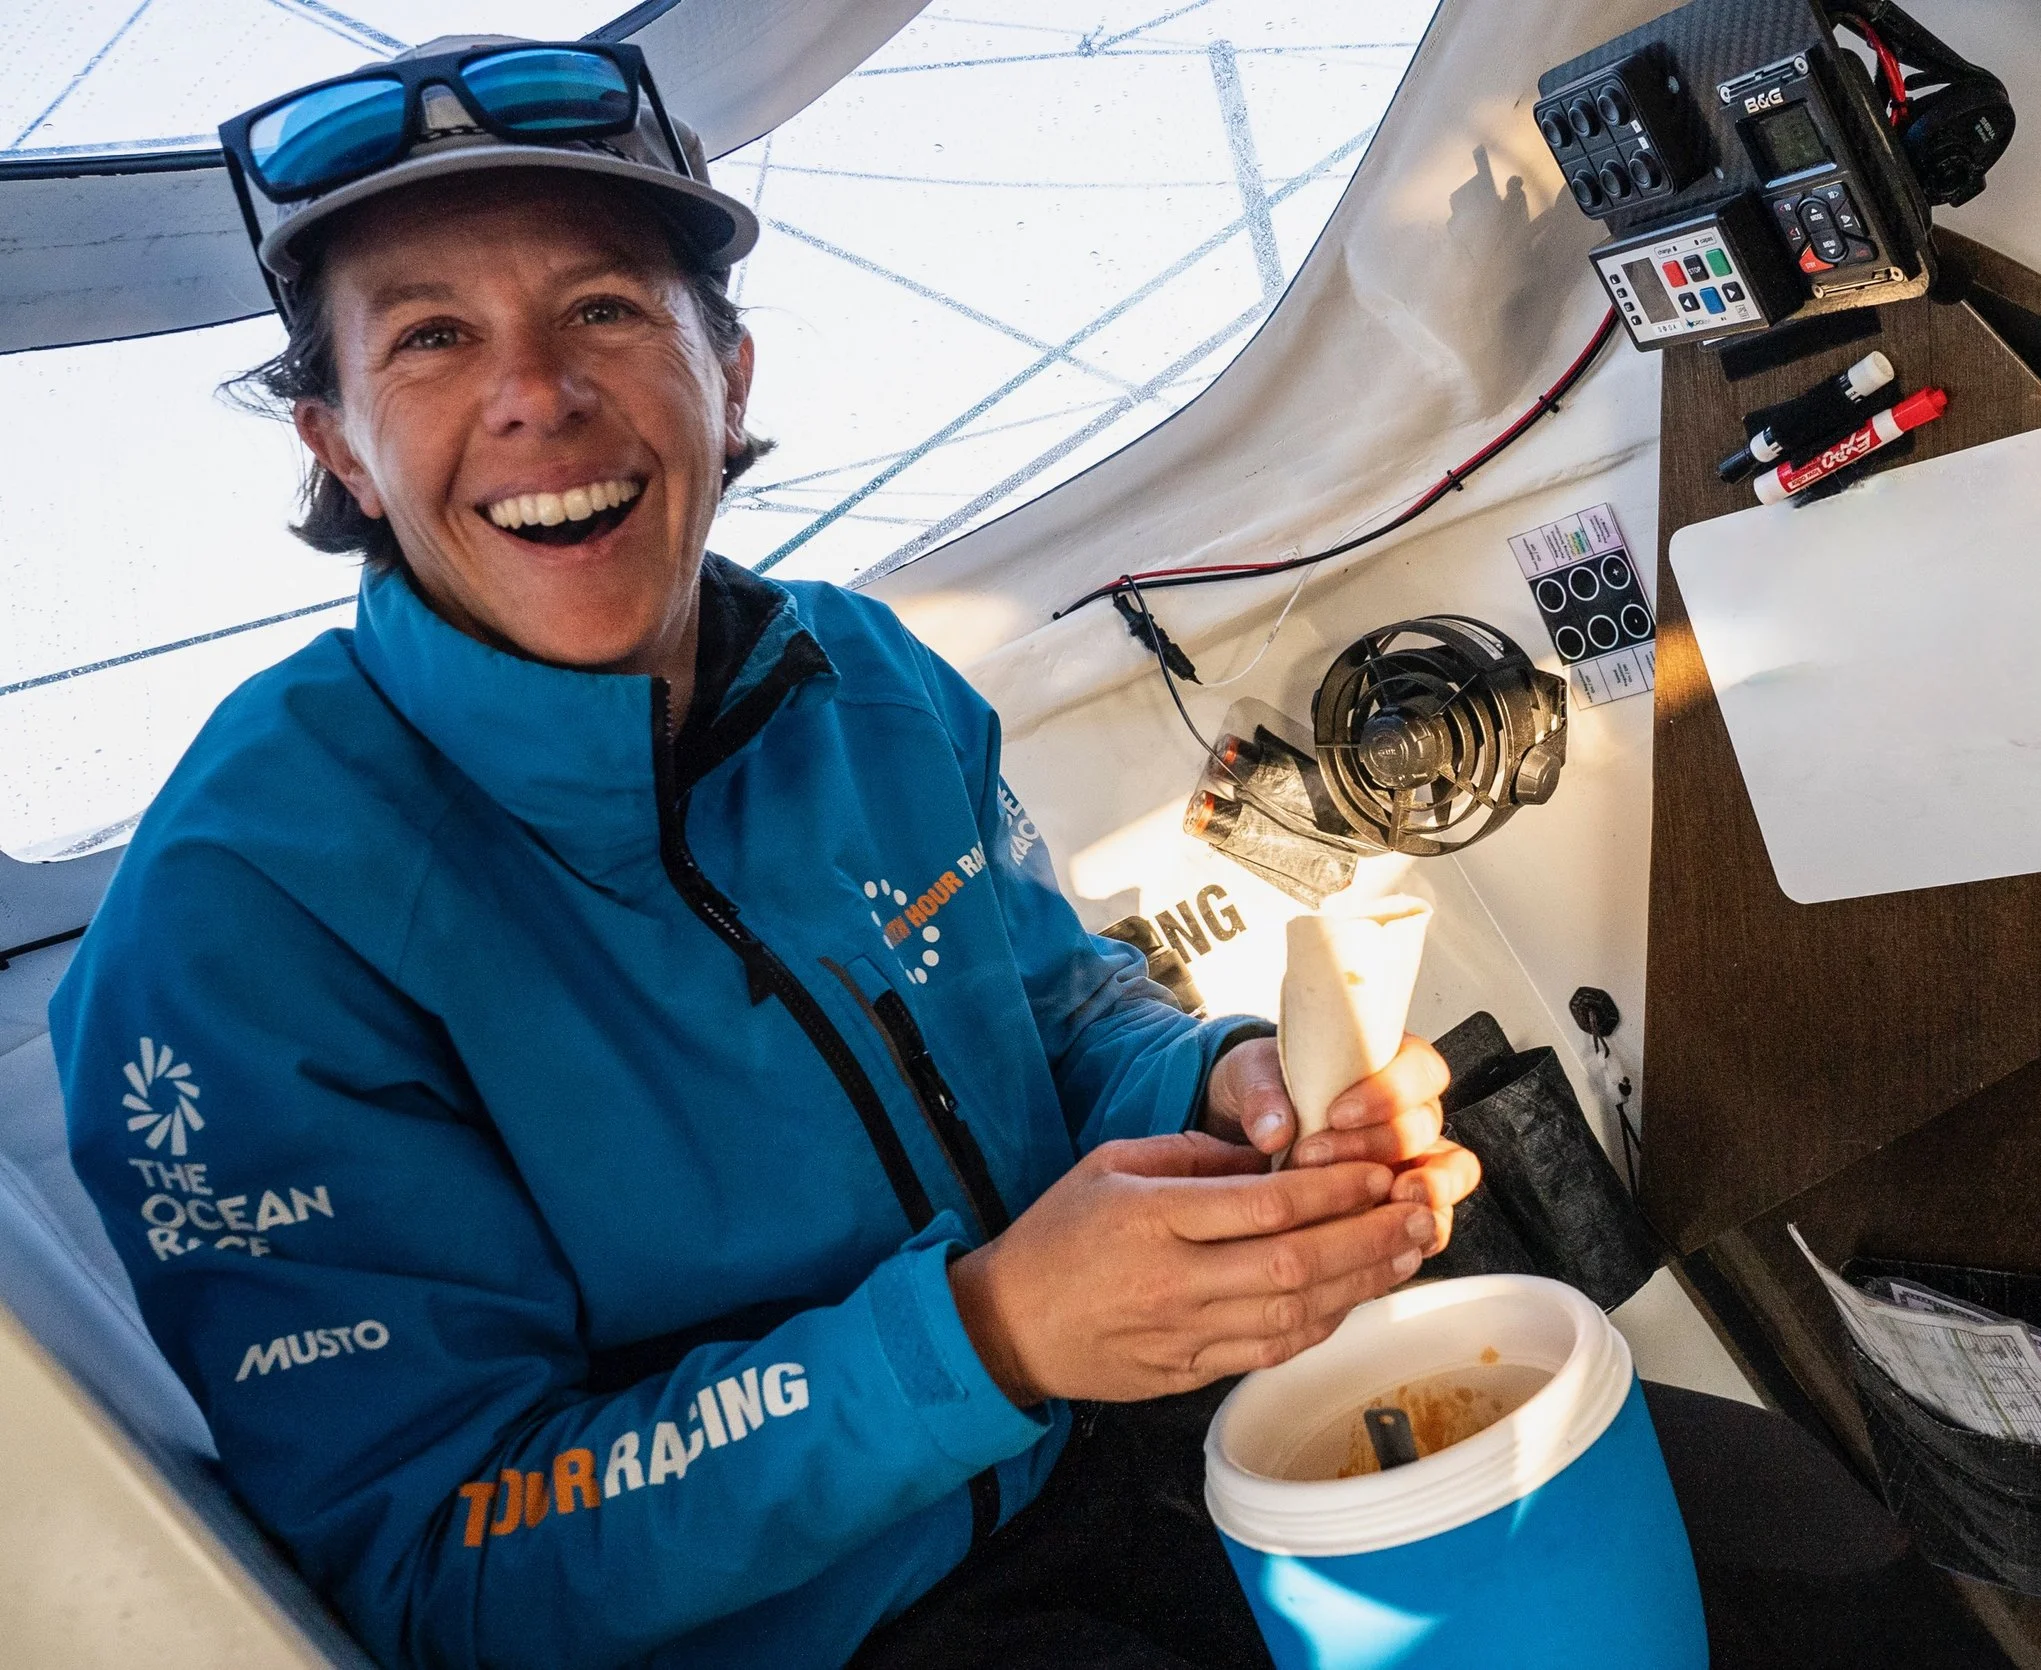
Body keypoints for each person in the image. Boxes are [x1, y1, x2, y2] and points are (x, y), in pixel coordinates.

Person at [50, 38, 1479, 1669]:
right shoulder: (239, 918)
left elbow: (1060, 1014)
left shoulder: (866, 682)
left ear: (724, 380)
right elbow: (447, 1564)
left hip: (1145, 1459)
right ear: (341, 449)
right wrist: (992, 1336)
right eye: (433, 337)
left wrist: (1228, 1085)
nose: (535, 390)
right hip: (831, 1638)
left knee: (1767, 1550)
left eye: (602, 308)